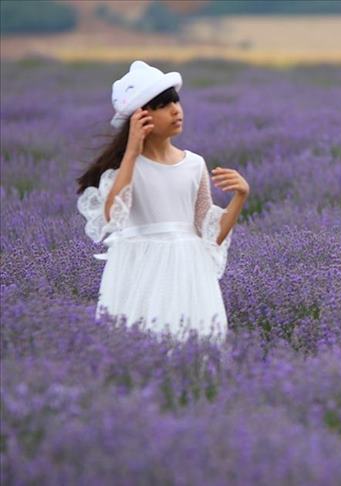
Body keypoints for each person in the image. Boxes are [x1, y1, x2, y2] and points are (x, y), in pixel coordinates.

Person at [76, 61, 249, 342]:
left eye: (176, 102)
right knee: (139, 344)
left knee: (195, 346)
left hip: (189, 271)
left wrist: (240, 197)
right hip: (140, 271)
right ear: (140, 118)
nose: (175, 110)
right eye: (163, 105)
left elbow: (210, 236)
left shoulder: (194, 164)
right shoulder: (126, 169)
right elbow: (113, 217)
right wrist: (131, 152)